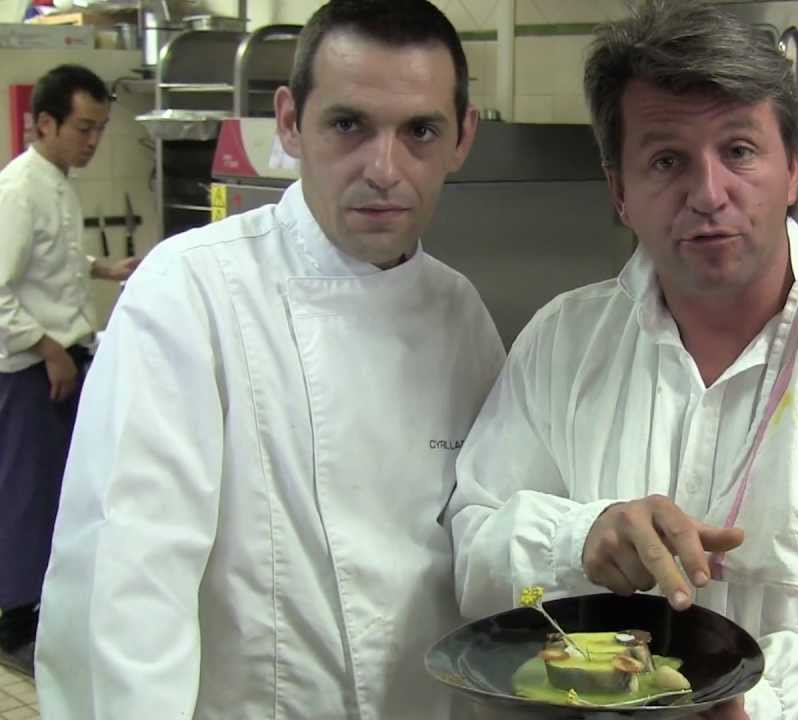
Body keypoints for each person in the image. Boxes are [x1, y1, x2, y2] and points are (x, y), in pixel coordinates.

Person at [446, 1, 798, 718]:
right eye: (667, 160)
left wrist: (749, 704)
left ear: (792, 169)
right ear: (619, 192)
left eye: (739, 150)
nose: (708, 195)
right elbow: (474, 556)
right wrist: (582, 540)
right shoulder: (563, 344)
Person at [35, 1, 504, 717]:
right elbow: (130, 591)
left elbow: (482, 544)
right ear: (289, 122)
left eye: (420, 131)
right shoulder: (192, 292)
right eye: (349, 125)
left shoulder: (461, 314)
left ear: (462, 138)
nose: (384, 169)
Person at [0, 64, 138, 676]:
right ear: (45, 122)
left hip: (58, 362)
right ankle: (13, 624)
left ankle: (42, 610)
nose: (93, 141)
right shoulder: (18, 188)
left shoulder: (54, 181)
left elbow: (46, 258)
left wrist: (102, 269)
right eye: (84, 128)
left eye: (101, 129)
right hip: (27, 371)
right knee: (26, 496)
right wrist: (48, 346)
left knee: (56, 493)